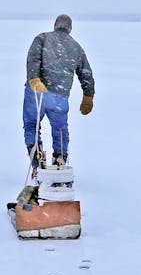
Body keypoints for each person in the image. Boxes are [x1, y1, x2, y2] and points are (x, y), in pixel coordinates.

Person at [24, 14, 95, 167]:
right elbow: (86, 73)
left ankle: (37, 159)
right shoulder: (76, 48)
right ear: (70, 28)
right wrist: (88, 96)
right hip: (60, 96)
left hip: (37, 92)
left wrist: (34, 78)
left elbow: (33, 57)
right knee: (60, 130)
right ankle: (59, 161)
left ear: (55, 25)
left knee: (32, 125)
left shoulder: (42, 38)